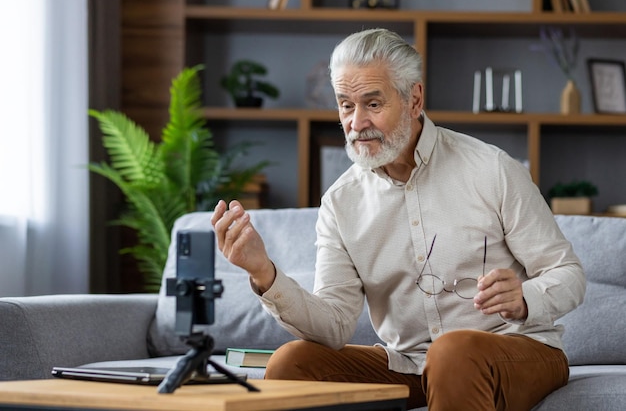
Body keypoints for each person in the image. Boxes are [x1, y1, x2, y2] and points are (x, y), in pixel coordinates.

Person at [211, 28, 586, 411]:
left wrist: (524, 298)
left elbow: (569, 273)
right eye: (345, 105)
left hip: (518, 350)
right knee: (292, 363)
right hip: (410, 365)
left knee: (453, 352)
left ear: (414, 99)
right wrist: (263, 272)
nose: (356, 123)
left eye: (372, 104)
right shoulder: (341, 203)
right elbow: (334, 324)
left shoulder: (492, 169)